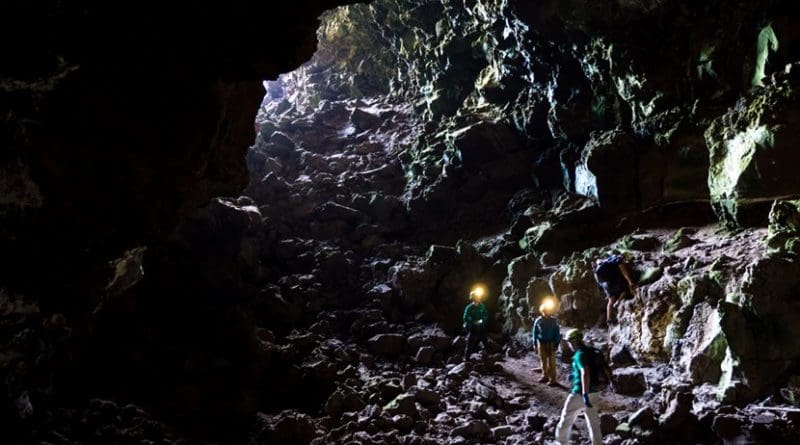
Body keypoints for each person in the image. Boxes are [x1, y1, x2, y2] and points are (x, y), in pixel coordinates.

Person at [555, 329, 612, 445]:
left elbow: (585, 372)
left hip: (580, 393)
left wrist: (584, 393)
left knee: (566, 418)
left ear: (573, 342)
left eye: (570, 342)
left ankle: (561, 442)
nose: (569, 344)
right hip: (595, 391)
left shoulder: (579, 354)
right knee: (593, 422)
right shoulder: (593, 351)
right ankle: (597, 443)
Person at [593, 252, 637, 324]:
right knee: (625, 290)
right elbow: (624, 273)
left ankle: (609, 319)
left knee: (611, 299)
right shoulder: (618, 261)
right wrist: (630, 282)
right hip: (612, 281)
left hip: (604, 283)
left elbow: (598, 279)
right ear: (623, 258)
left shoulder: (607, 262)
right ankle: (618, 302)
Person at [532, 300, 560, 385]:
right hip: (541, 343)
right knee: (543, 360)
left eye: (548, 310)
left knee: (552, 362)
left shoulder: (553, 321)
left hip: (551, 343)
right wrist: (534, 343)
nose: (547, 312)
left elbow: (557, 333)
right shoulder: (538, 321)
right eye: (545, 311)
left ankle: (553, 379)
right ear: (543, 311)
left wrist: (556, 344)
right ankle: (545, 376)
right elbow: (534, 332)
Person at [462, 287, 489, 361]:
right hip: (473, 328)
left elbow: (486, 315)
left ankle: (487, 357)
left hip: (481, 328)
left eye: (479, 297)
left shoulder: (482, 306)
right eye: (478, 297)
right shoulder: (469, 307)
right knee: (470, 343)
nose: (479, 298)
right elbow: (465, 317)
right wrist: (473, 322)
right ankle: (466, 358)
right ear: (474, 298)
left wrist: (482, 321)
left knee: (485, 342)